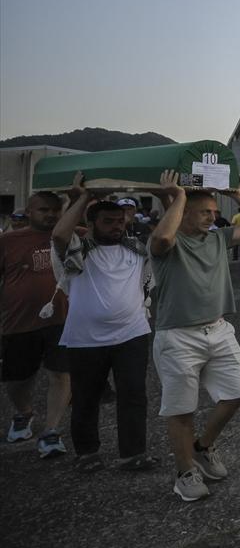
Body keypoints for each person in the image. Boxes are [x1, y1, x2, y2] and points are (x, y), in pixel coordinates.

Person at [150, 172, 240, 501]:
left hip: (218, 329)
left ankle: (202, 447)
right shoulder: (167, 243)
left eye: (215, 212)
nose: (213, 217)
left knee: (236, 393)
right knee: (181, 410)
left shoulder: (218, 238)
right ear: (184, 211)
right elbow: (161, 241)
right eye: (206, 212)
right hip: (177, 336)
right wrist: (178, 197)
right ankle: (185, 472)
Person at [51, 174, 158, 472]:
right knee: (85, 397)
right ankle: (87, 454)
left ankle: (133, 454)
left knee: (134, 394)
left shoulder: (136, 248)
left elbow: (163, 240)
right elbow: (59, 236)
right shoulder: (80, 251)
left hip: (133, 333)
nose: (117, 226)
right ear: (93, 223)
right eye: (109, 221)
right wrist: (84, 197)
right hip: (85, 338)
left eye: (120, 221)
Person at [0, 192, 71, 458]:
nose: (51, 215)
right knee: (18, 379)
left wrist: (77, 200)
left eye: (55, 210)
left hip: (61, 319)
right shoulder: (8, 241)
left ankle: (51, 431)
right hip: (19, 322)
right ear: (28, 211)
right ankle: (23, 412)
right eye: (44, 209)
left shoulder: (68, 235)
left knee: (61, 374)